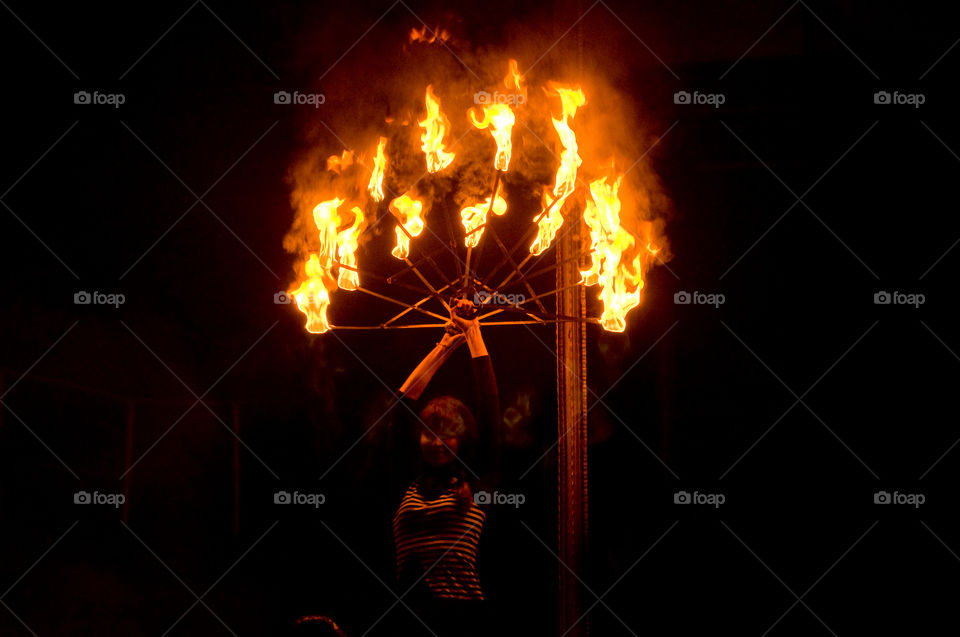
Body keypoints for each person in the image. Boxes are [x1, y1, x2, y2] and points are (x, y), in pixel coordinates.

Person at [389, 298, 500, 637]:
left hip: (462, 618)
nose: (436, 443)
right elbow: (400, 409)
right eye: (429, 434)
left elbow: (490, 409)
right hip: (408, 615)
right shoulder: (406, 483)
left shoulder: (478, 484)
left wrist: (474, 333)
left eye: (447, 436)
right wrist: (445, 344)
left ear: (461, 440)